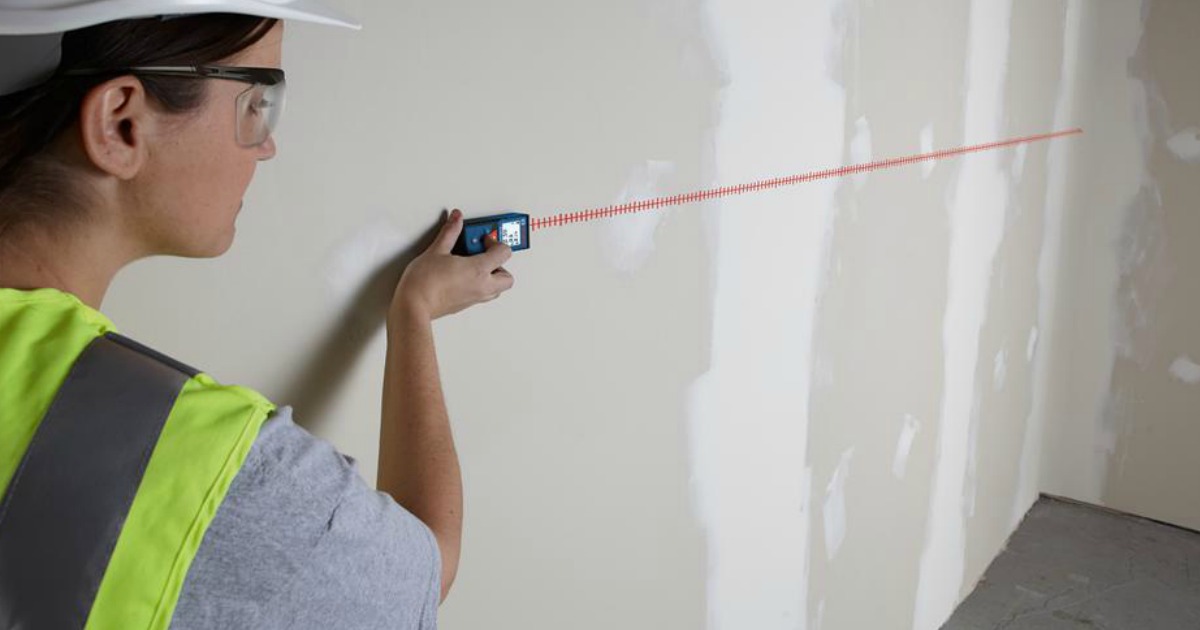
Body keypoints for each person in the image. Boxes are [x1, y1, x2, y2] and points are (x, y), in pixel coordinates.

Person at [0, 2, 515, 628]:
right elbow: (425, 568)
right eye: (253, 101)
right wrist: (416, 312)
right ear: (122, 122)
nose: (267, 145)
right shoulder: (201, 465)